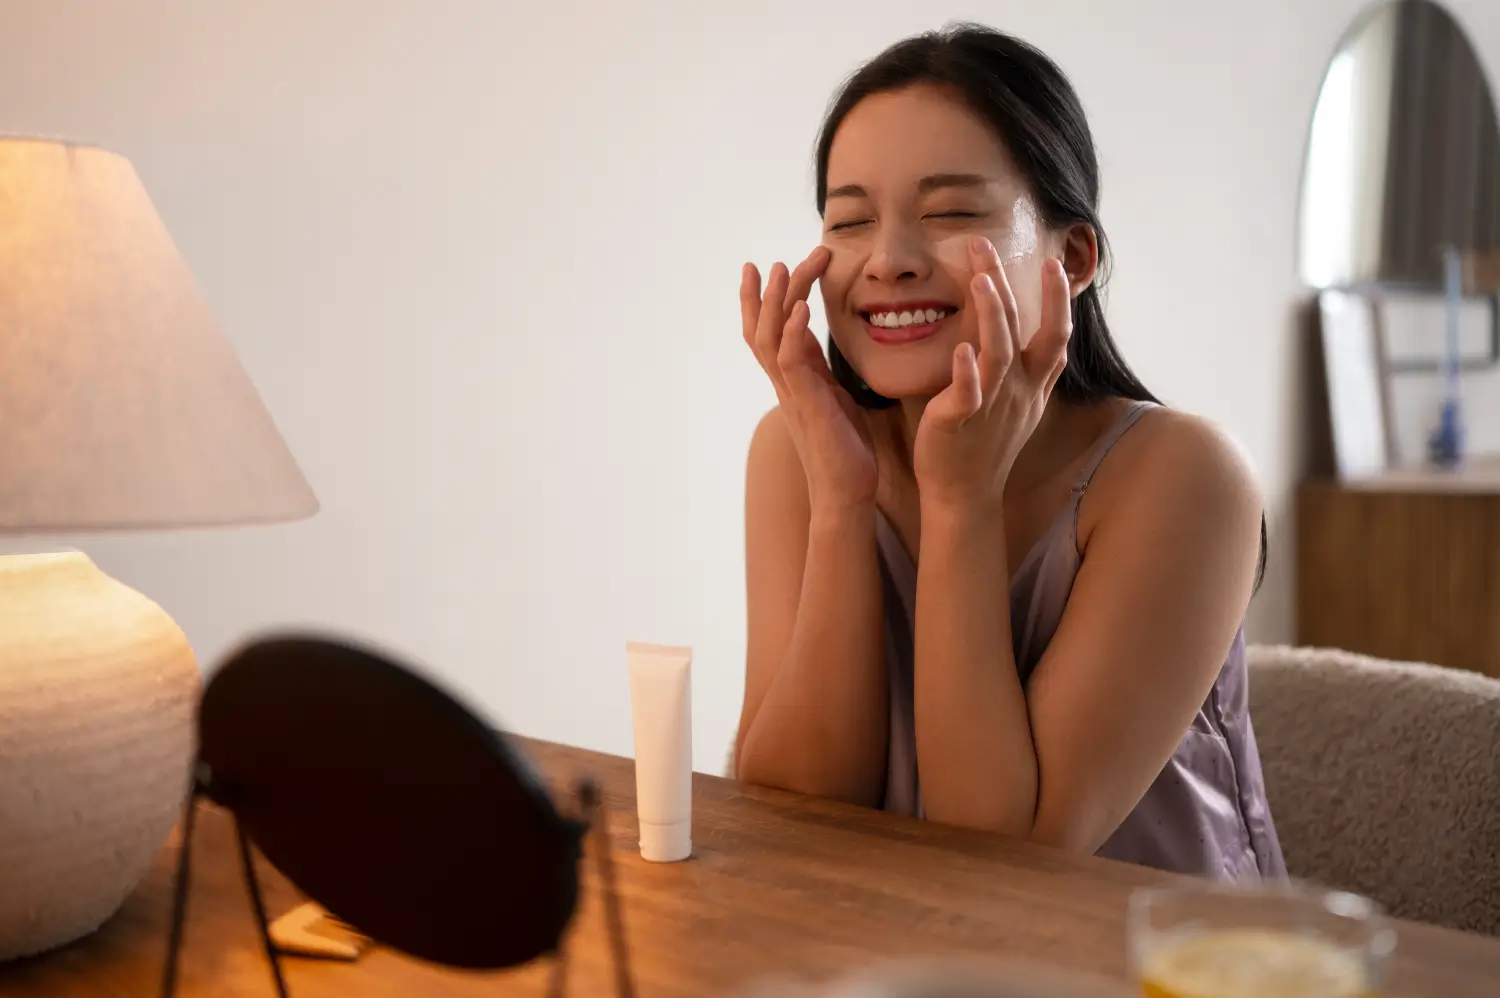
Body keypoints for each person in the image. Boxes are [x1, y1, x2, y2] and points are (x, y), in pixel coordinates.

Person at [733, 22, 1285, 881]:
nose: (889, 260)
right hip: (900, 954)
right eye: (849, 220)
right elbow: (788, 811)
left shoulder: (1187, 477)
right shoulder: (800, 450)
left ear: (1072, 258)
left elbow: (1006, 857)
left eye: (950, 212)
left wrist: (960, 502)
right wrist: (842, 503)